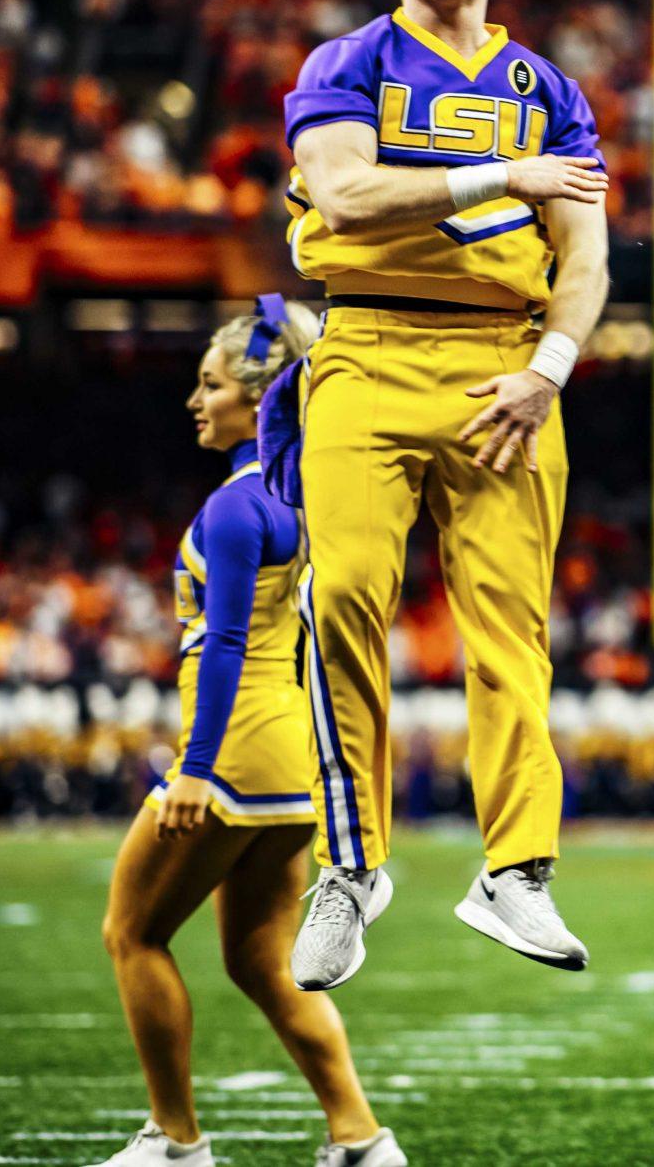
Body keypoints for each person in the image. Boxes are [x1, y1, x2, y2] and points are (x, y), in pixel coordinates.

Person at [283, 0, 619, 989]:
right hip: (367, 350)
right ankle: (350, 867)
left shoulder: (553, 93)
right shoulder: (347, 62)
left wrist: (553, 369)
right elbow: (343, 191)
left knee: (510, 632)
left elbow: (586, 257)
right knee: (346, 606)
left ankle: (514, 871)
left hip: (505, 372)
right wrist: (500, 177)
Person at [96, 298, 405, 1167]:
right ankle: (359, 1137)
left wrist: (193, 768)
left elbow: (227, 640)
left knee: (132, 932)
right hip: (295, 757)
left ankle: (176, 1142)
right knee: (264, 961)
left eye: (211, 384)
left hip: (230, 754)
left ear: (260, 396)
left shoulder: (237, 507)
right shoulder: (318, 498)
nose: (195, 401)